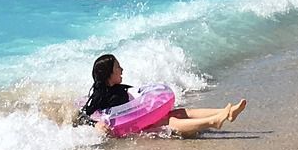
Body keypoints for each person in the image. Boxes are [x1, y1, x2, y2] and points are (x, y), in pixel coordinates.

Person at [78, 53, 245, 137]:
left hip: (137, 120)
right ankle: (212, 122)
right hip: (128, 129)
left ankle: (226, 112)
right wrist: (95, 125)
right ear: (109, 74)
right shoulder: (100, 96)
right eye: (118, 68)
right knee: (168, 120)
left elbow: (136, 99)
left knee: (179, 112)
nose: (122, 70)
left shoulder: (120, 89)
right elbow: (81, 117)